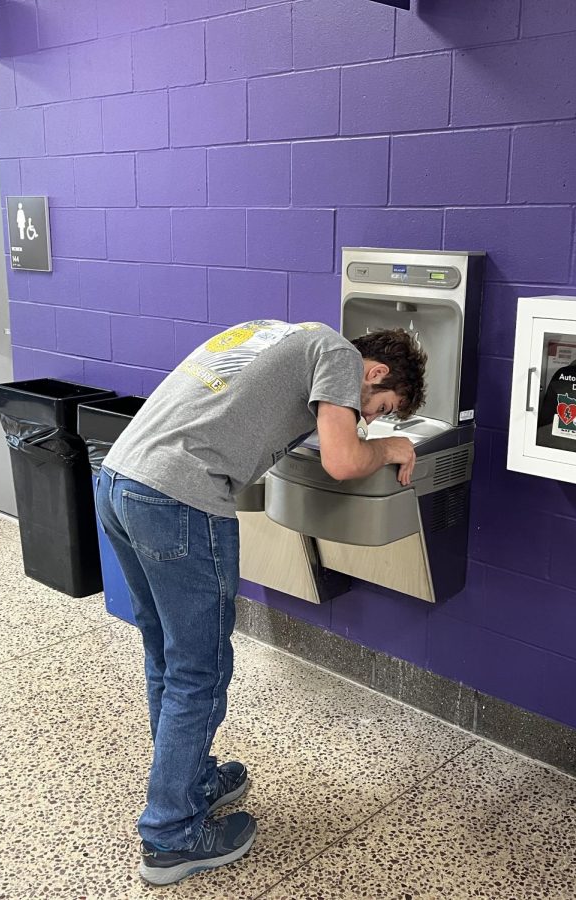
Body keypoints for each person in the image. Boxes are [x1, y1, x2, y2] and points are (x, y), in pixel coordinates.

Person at [94, 319, 427, 886]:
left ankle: (190, 780)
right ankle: (172, 835)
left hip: (122, 481)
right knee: (200, 669)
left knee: (169, 656)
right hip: (180, 499)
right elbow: (343, 461)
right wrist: (390, 445)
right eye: (379, 406)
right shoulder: (339, 355)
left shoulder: (275, 334)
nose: (368, 417)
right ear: (372, 372)